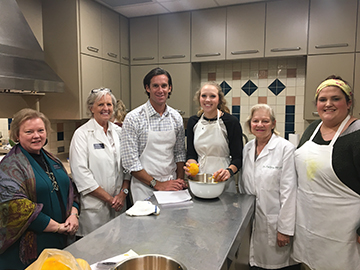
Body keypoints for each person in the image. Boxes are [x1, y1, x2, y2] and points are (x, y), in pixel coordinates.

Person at [292, 75, 360, 269]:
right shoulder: (312, 129)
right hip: (308, 225)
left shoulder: (357, 134)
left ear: (349, 103)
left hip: (344, 232)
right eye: (323, 99)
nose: (328, 104)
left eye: (336, 99)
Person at [0, 108, 80, 270]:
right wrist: (58, 227)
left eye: (40, 130)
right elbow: (16, 207)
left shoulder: (51, 159)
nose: (36, 136)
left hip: (58, 241)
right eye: (29, 132)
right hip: (29, 250)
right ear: (16, 135)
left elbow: (70, 189)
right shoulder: (10, 166)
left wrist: (73, 214)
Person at [240, 104, 299, 270]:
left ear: (273, 123)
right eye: (255, 120)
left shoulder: (285, 148)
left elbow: (290, 191)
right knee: (255, 263)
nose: (260, 125)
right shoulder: (248, 148)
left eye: (265, 121)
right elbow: (245, 186)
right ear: (250, 124)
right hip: (253, 222)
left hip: (275, 224)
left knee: (277, 265)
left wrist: (285, 229)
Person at [69, 87, 130, 237]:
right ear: (91, 108)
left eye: (109, 105)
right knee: (94, 253)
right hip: (94, 210)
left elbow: (128, 166)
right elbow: (81, 174)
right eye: (100, 104)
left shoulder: (119, 132)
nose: (106, 108)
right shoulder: (82, 134)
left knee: (118, 251)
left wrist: (123, 194)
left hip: (119, 206)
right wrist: (110, 199)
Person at [120, 67, 186, 202]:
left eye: (164, 86)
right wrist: (157, 184)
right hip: (144, 187)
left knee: (172, 222)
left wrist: (179, 180)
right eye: (155, 86)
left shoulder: (176, 117)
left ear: (170, 88)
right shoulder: (134, 118)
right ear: (147, 88)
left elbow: (179, 153)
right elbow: (130, 162)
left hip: (171, 185)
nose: (160, 90)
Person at [185, 82, 243, 192]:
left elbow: (238, 158)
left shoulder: (231, 122)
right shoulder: (193, 121)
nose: (207, 100)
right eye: (204, 96)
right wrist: (191, 164)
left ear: (219, 99)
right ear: (199, 98)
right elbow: (191, 153)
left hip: (223, 180)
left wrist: (228, 172)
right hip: (199, 179)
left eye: (212, 96)